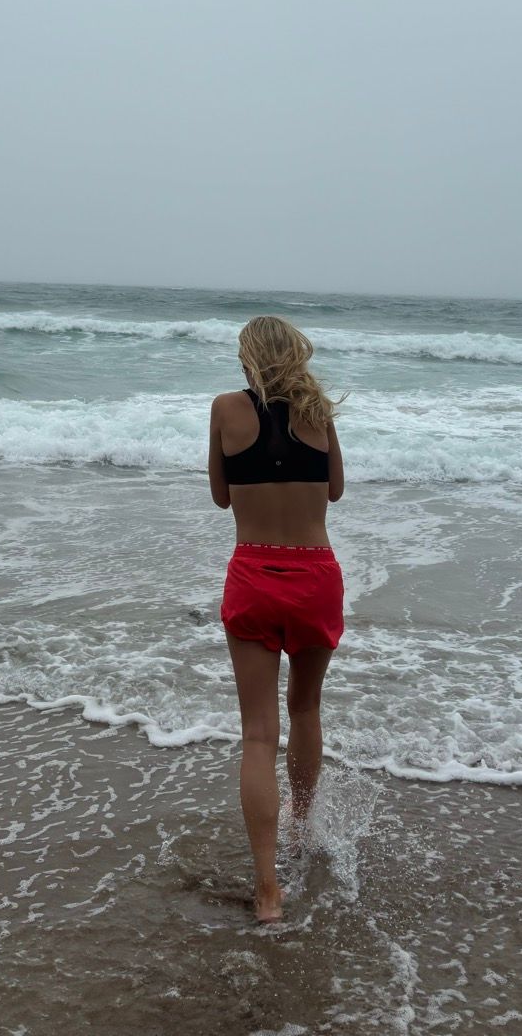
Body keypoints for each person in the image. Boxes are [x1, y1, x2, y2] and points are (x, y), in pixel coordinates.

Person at [208, 314, 348, 923]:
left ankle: (267, 889)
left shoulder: (225, 408)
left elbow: (221, 496)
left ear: (247, 357)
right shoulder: (319, 411)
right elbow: (335, 490)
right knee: (306, 709)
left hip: (253, 574)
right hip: (315, 575)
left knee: (258, 735)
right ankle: (301, 825)